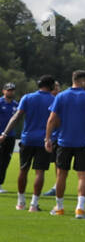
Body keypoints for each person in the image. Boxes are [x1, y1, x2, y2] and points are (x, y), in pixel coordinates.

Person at [45, 70, 85, 218]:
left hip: (64, 142)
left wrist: (47, 139)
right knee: (82, 176)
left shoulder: (61, 96)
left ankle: (59, 207)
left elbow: (51, 120)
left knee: (61, 175)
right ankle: (80, 209)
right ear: (82, 81)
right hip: (83, 143)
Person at [1, 75, 58, 211]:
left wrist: (4, 133)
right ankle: (34, 204)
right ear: (50, 86)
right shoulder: (54, 99)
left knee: (23, 170)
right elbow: (57, 120)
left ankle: (20, 202)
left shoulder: (27, 97)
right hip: (44, 140)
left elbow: (16, 117)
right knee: (40, 172)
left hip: (27, 139)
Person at [0, 82, 19, 193]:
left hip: (10, 136)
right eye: (8, 90)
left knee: (5, 161)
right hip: (0, 135)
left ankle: (0, 184)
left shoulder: (16, 105)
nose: (10, 92)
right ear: (4, 91)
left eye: (12, 90)